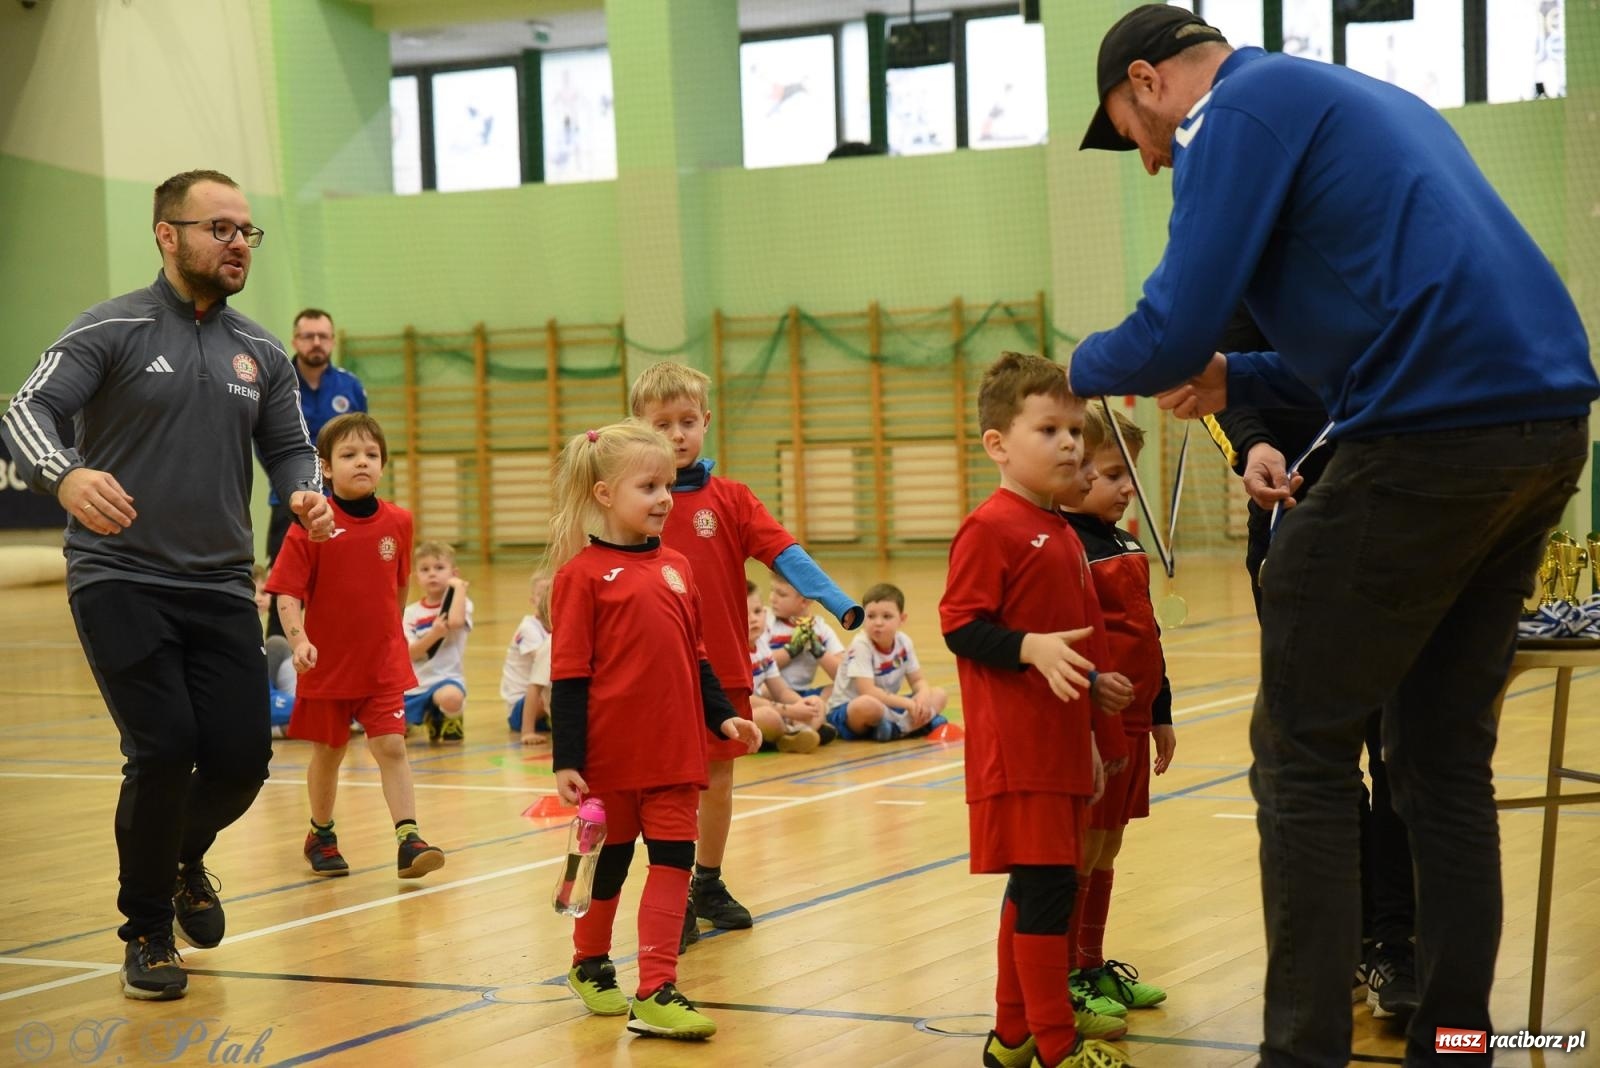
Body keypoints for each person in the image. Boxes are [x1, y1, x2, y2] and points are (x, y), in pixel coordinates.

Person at [1070, 7, 1598, 1063]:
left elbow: (1170, 324)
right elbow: (1376, 325)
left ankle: (1299, 1053)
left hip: (1426, 448)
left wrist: (1071, 370)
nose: (1147, 159)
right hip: (1539, 432)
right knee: (1440, 760)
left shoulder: (1235, 113)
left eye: (1136, 132)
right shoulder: (1355, 97)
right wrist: (1242, 379)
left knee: (1299, 752)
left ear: (1148, 81)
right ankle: (1458, 1045)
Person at [0, 169, 333, 1001]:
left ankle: (181, 855)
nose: (236, 244)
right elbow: (25, 412)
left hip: (220, 583)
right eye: (219, 228)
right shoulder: (108, 327)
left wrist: (303, 490)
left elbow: (291, 447)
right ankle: (147, 929)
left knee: (242, 760)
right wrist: (65, 477)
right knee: (163, 748)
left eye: (246, 232)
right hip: (119, 577)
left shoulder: (260, 352)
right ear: (167, 234)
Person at [1201, 306, 1419, 1019]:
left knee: (1399, 751)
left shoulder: (1376, 251)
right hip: (1293, 528)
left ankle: (1397, 941)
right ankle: (1349, 938)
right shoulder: (1242, 266)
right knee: (1319, 754)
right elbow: (1217, 380)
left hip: (1400, 523)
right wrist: (1253, 444)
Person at [629, 360, 862, 953]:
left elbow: (785, 552)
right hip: (654, 677)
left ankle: (706, 882)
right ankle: (671, 891)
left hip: (724, 668)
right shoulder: (628, 504)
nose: (678, 434)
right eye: (663, 424)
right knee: (671, 788)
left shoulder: (730, 498)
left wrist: (836, 600)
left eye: (688, 421)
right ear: (638, 428)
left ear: (706, 422)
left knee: (719, 781)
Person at [939, 351, 1129, 1068]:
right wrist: (1028, 649)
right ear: (998, 444)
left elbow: (1075, 641)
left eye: (1075, 430)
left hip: (1058, 747)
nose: (1072, 444)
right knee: (1049, 890)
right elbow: (960, 623)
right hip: (1017, 751)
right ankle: (1056, 1046)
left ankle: (1013, 1037)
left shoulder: (1057, 529)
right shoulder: (992, 526)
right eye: (1050, 429)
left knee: (1037, 886)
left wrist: (1094, 704)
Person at [546, 422, 762, 1040]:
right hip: (610, 760)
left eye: (668, 484)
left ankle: (657, 987)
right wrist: (568, 759)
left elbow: (697, 659)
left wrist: (722, 715)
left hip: (674, 755)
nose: (666, 497)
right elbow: (569, 677)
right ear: (605, 493)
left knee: (674, 861)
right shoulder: (582, 576)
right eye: (649, 485)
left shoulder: (677, 568)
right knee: (606, 869)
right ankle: (589, 964)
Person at [267, 413, 445, 881]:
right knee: (329, 750)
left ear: (383, 464)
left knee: (391, 746)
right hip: (327, 666)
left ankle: (409, 838)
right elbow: (286, 592)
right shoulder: (310, 525)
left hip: (381, 662)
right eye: (348, 455)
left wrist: (394, 636)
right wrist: (300, 640)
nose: (361, 462)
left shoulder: (399, 521)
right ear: (324, 467)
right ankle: (320, 834)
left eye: (371, 455)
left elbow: (399, 585)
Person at [1059, 405, 1174, 1018]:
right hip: (1094, 724)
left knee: (1109, 844)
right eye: (1112, 474)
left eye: (1130, 475)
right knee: (1082, 845)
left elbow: (1149, 630)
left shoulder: (1126, 540)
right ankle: (1067, 975)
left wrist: (1162, 710)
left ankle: (1093, 963)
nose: (1127, 487)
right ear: (1075, 473)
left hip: (1133, 720)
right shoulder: (1066, 545)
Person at [262, 308, 366, 637]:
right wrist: (294, 485)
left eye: (323, 336)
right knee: (286, 587)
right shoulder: (278, 381)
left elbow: (363, 440)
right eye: (308, 336)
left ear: (333, 341)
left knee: (342, 586)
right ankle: (279, 669)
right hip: (289, 503)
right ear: (295, 340)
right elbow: (265, 443)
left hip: (343, 505)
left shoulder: (350, 386)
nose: (316, 343)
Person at [825, 583, 950, 742]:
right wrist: (908, 704)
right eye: (871, 616)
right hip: (848, 711)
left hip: (887, 705)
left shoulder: (904, 642)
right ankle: (918, 725)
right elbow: (868, 691)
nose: (878, 623)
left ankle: (894, 729)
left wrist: (922, 699)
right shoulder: (861, 645)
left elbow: (918, 680)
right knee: (867, 705)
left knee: (939, 694)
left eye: (886, 616)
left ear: (902, 619)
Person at [744, 580, 828, 753]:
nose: (753, 619)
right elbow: (743, 700)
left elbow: (781, 691)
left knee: (816, 704)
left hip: (761, 709)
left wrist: (803, 706)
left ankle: (794, 735)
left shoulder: (761, 645)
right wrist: (790, 711)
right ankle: (791, 732)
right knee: (769, 717)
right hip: (734, 716)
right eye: (745, 613)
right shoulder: (731, 650)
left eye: (758, 611)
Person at [402, 542, 473, 743]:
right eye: (425, 569)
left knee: (452, 697)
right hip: (413, 686)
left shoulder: (461, 603)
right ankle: (429, 717)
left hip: (445, 680)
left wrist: (459, 587)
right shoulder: (410, 613)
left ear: (453, 572)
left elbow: (456, 622)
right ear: (416, 577)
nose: (432, 574)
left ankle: (449, 718)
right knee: (383, 733)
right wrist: (434, 634)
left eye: (439, 568)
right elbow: (410, 653)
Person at [766, 577, 846, 700]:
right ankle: (802, 713)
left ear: (804, 601)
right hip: (774, 693)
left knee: (844, 689)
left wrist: (818, 650)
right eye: (772, 591)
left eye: (781, 594)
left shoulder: (820, 629)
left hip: (805, 694)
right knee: (761, 690)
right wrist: (791, 650)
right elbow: (759, 666)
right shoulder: (767, 622)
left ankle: (801, 712)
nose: (772, 598)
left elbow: (844, 674)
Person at [502, 571, 553, 745]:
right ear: (532, 601)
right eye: (542, 594)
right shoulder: (528, 628)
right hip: (521, 706)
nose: (548, 599)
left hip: (541, 695)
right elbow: (544, 666)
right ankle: (529, 728)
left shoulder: (556, 627)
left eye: (552, 593)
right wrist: (527, 732)